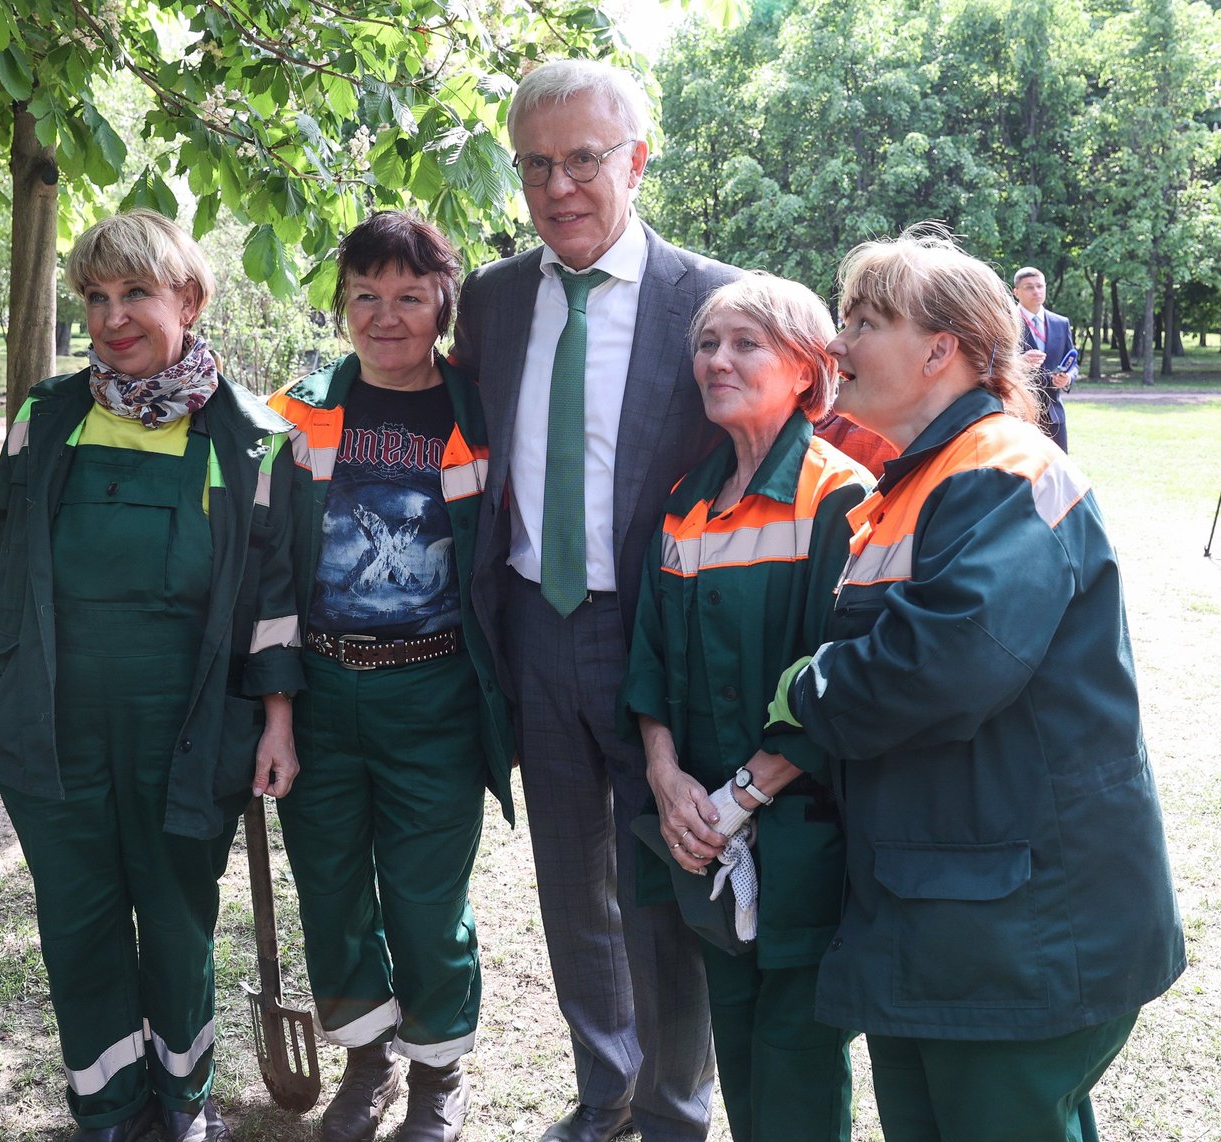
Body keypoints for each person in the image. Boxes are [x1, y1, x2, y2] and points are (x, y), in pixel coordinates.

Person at [765, 228, 1186, 1141]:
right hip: (948, 913)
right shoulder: (916, 482)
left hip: (1014, 925)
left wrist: (811, 689)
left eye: (865, 321)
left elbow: (947, 664)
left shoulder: (1006, 470)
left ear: (939, 351)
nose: (838, 345)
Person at [0, 208, 302, 1142]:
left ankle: (183, 1101)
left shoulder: (251, 439)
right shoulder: (46, 417)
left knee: (177, 914)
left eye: (135, 293)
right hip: (48, 716)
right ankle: (105, 1104)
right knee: (76, 914)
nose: (112, 317)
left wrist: (276, 722)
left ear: (188, 297)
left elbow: (272, 596)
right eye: (96, 298)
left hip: (184, 725)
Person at [453, 58, 740, 1142]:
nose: (558, 187)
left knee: (666, 879)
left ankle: (674, 1106)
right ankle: (604, 1090)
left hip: (659, 632)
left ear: (635, 159)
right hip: (531, 622)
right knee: (570, 882)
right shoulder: (488, 299)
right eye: (535, 165)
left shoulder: (710, 299)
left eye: (583, 159)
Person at [267, 211, 515, 1142]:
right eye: (365, 295)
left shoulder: (479, 416)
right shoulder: (297, 413)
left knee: (424, 899)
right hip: (321, 691)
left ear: (443, 304)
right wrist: (276, 709)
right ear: (340, 306)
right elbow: (267, 570)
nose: (386, 315)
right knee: (330, 890)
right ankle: (366, 1064)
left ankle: (437, 1074)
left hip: (435, 695)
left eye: (409, 295)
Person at [619, 273, 871, 1142]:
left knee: (797, 1063)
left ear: (807, 368)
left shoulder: (838, 497)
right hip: (702, 840)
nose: (716, 360)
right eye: (707, 344)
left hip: (806, 838)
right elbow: (648, 658)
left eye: (745, 343)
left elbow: (844, 679)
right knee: (737, 1044)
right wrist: (666, 779)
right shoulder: (686, 506)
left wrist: (740, 799)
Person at [1011, 267, 1077, 451]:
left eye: (1040, 286)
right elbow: (992, 363)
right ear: (1015, 292)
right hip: (1019, 413)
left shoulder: (1061, 323)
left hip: (1054, 414)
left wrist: (1068, 378)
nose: (1036, 291)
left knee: (1057, 473)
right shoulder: (1006, 322)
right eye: (1029, 287)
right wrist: (1019, 362)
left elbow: (1072, 362)